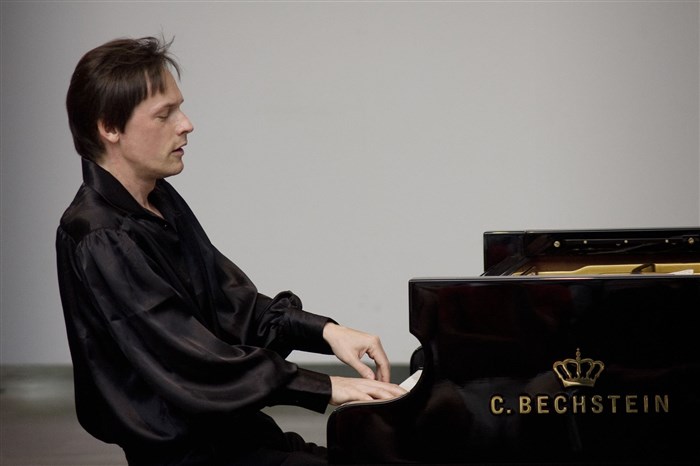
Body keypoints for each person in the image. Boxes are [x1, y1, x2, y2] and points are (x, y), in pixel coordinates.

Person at [56, 36, 406, 466]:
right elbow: (189, 360)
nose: (186, 124)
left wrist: (327, 332)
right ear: (109, 128)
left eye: (180, 109)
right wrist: (329, 387)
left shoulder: (159, 200)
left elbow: (231, 305)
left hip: (235, 434)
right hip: (191, 455)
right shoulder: (100, 235)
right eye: (165, 114)